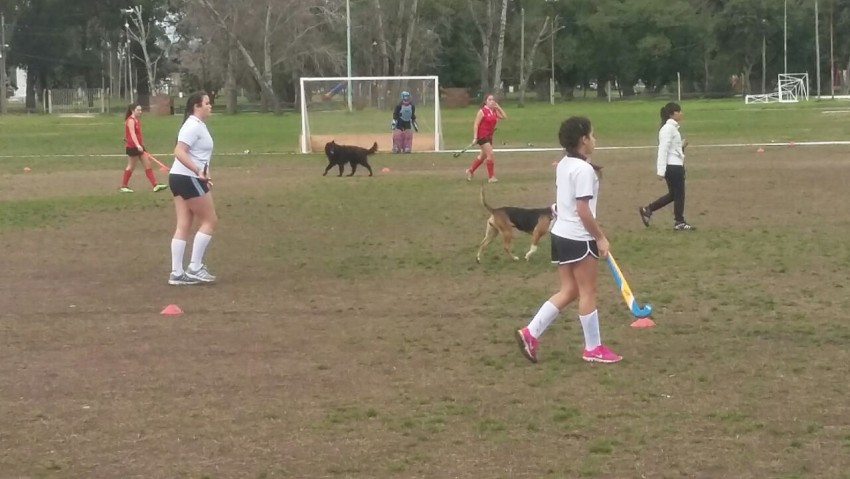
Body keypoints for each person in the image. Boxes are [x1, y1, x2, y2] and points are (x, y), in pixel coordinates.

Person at [515, 116, 622, 364]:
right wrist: (600, 238)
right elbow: (583, 210)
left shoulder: (564, 163)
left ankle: (530, 333)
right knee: (588, 291)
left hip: (560, 234)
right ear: (583, 140)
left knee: (570, 290)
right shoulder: (583, 170)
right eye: (592, 135)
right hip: (578, 236)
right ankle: (593, 348)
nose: (595, 140)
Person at [167, 91, 218, 286]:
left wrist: (205, 175)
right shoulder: (192, 126)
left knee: (184, 224)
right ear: (197, 106)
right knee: (210, 220)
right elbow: (179, 151)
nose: (210, 106)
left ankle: (177, 273)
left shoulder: (198, 125)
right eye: (206, 103)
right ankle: (195, 267)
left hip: (181, 177)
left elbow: (200, 155)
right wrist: (198, 171)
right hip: (187, 177)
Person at [638, 102, 695, 230]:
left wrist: (681, 146)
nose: (681, 113)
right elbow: (663, 149)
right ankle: (679, 221)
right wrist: (661, 170)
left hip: (674, 165)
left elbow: (671, 149)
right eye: (678, 111)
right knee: (679, 194)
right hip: (674, 167)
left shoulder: (671, 129)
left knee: (673, 195)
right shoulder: (668, 129)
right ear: (672, 114)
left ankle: (648, 209)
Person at [120, 103, 167, 193]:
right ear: (133, 110)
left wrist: (139, 144)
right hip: (133, 147)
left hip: (139, 146)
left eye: (141, 110)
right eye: (138, 110)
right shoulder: (131, 120)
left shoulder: (136, 120)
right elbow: (132, 133)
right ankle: (123, 186)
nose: (140, 112)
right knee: (130, 167)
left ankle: (155, 185)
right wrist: (137, 145)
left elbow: (131, 134)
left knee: (147, 164)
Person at [466, 93, 506, 183]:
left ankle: (470, 170)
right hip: (482, 136)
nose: (492, 101)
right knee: (490, 154)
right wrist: (475, 137)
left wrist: (498, 107)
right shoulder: (482, 111)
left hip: (489, 136)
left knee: (482, 156)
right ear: (485, 102)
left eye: (493, 100)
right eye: (490, 100)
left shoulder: (494, 111)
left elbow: (504, 116)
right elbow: (476, 124)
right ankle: (491, 177)